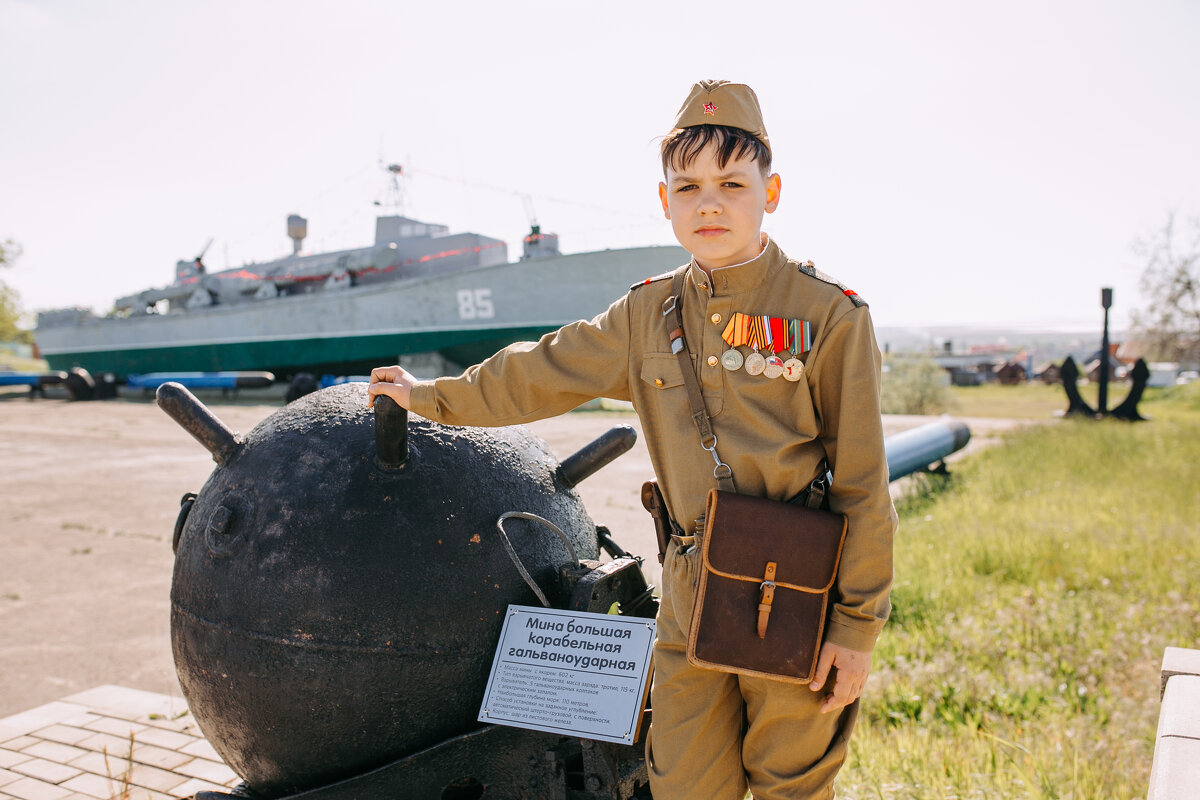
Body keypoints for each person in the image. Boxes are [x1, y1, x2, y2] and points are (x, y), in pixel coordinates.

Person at [368, 79, 896, 799]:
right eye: (689, 186)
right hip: (691, 584)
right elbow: (539, 371)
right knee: (681, 783)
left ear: (770, 192)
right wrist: (428, 398)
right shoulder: (648, 313)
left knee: (792, 787)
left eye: (732, 183)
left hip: (792, 589)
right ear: (664, 200)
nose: (710, 203)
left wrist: (856, 628)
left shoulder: (828, 314)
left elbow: (864, 484)